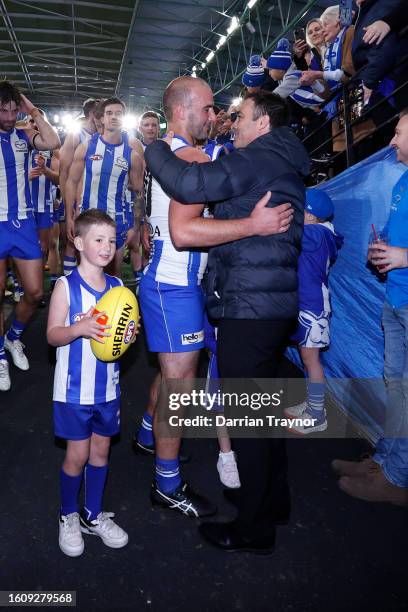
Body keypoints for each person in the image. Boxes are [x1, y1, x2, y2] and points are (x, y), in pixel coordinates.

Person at [145, 89, 309, 553]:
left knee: (248, 422)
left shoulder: (261, 156)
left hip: (251, 306)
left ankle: (253, 529)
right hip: (268, 304)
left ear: (264, 123)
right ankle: (273, 503)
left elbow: (189, 186)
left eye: (241, 116)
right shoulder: (282, 157)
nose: (232, 122)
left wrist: (155, 142)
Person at [332, 110, 408, 506]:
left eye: (399, 133)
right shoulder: (402, 181)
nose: (391, 141)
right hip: (395, 299)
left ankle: (398, 480)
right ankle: (386, 460)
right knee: (396, 388)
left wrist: (403, 256)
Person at [47, 209, 130, 556]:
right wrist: (78, 328)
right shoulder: (66, 286)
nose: (107, 246)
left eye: (111, 240)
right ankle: (68, 515)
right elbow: (52, 335)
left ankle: (92, 515)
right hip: (73, 390)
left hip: (107, 389)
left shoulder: (119, 287)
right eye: (99, 239)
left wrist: (128, 334)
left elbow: (120, 338)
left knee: (101, 452)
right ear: (79, 243)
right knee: (77, 455)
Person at [0, 81, 60, 392]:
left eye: (13, 109)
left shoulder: (23, 132)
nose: (9, 116)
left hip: (22, 222)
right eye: (3, 110)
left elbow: (53, 141)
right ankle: (0, 356)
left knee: (36, 293)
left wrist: (31, 110)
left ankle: (12, 339)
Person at [284, 189, 343, 434]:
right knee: (309, 360)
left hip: (313, 307)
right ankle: (313, 404)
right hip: (308, 305)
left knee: (312, 361)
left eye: (301, 210)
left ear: (311, 216)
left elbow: (289, 235)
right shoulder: (320, 232)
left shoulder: (316, 234)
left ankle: (317, 415)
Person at [64, 98, 143, 277]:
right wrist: (69, 216)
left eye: (119, 114)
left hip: (117, 222)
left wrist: (135, 227)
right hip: (87, 220)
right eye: (109, 113)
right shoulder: (86, 147)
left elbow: (139, 193)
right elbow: (71, 182)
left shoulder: (133, 156)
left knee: (114, 275)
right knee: (86, 271)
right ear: (101, 119)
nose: (114, 117)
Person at [59, 98, 101, 277]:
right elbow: (63, 171)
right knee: (71, 243)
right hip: (77, 198)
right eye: (102, 113)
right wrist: (67, 202)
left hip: (96, 197)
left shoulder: (104, 136)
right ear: (92, 115)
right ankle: (68, 284)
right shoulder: (76, 135)